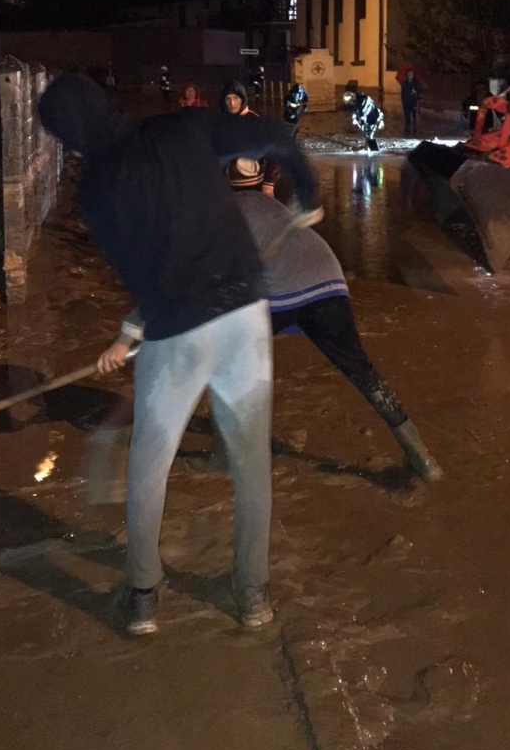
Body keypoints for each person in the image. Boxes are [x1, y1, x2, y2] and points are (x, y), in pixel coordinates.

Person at [37, 73, 321, 636]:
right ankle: (252, 597)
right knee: (250, 465)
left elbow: (144, 276)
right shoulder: (185, 128)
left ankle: (143, 596)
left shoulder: (96, 192)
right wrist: (307, 195)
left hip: (173, 335)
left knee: (149, 463)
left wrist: (128, 333)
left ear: (71, 136)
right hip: (243, 320)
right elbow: (278, 139)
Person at [95, 192, 442, 480]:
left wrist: (125, 338)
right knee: (361, 370)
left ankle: (223, 456)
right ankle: (422, 459)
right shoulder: (248, 202)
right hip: (329, 279)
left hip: (287, 291)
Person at [220, 80, 277, 195]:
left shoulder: (255, 122)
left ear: (243, 99)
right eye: (228, 99)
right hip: (228, 186)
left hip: (253, 185)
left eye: (236, 98)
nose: (232, 103)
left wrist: (269, 183)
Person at [400, 70, 423, 137]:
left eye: (412, 74)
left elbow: (419, 92)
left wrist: (415, 92)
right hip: (406, 102)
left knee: (414, 116)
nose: (410, 75)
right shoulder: (404, 83)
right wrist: (403, 101)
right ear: (407, 75)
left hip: (413, 102)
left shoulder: (416, 83)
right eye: (409, 74)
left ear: (413, 75)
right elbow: (403, 93)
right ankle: (407, 130)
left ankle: (414, 130)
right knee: (407, 117)